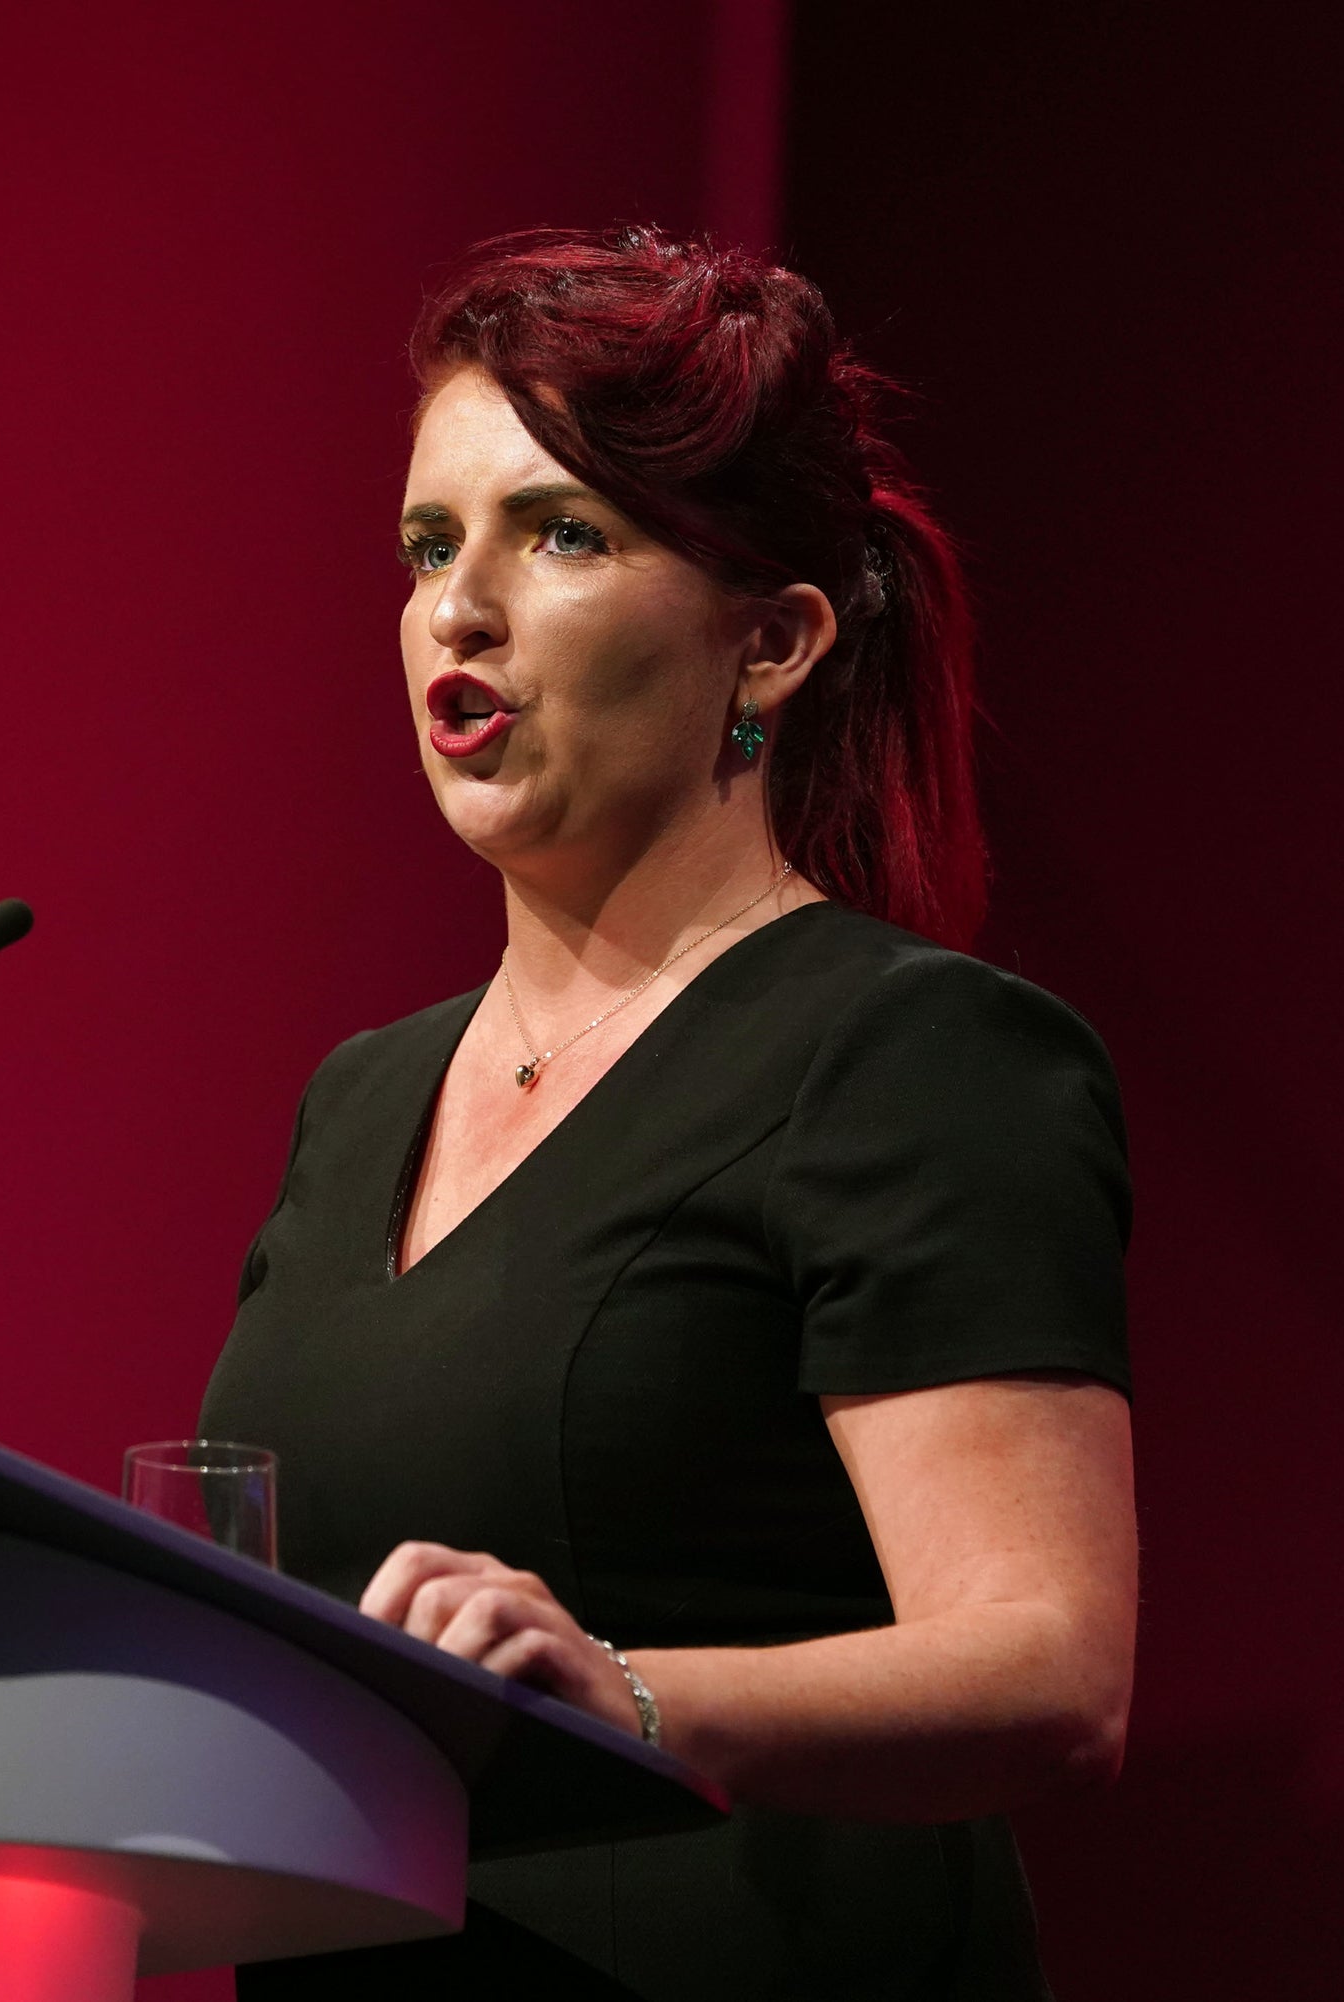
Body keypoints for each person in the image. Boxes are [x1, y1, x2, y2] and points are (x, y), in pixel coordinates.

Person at [202, 227, 1136, 2001]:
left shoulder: (903, 1053)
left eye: (559, 533)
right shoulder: (360, 1099)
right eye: (427, 546)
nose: (456, 609)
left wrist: (625, 1693)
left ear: (771, 643)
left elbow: (1052, 1668)